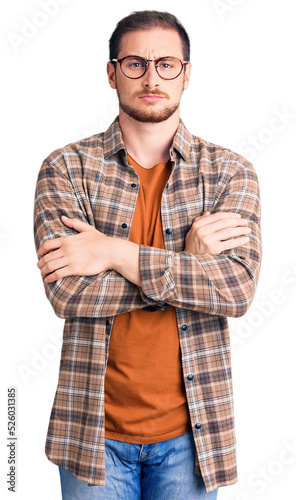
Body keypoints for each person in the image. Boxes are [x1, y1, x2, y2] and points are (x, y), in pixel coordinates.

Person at [34, 10, 262, 500]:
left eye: (166, 64)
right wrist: (189, 263)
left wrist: (112, 250)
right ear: (112, 72)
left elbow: (236, 289)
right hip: (91, 433)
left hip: (193, 435)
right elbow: (69, 293)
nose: (152, 77)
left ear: (186, 73)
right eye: (135, 64)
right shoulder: (66, 169)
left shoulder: (229, 173)